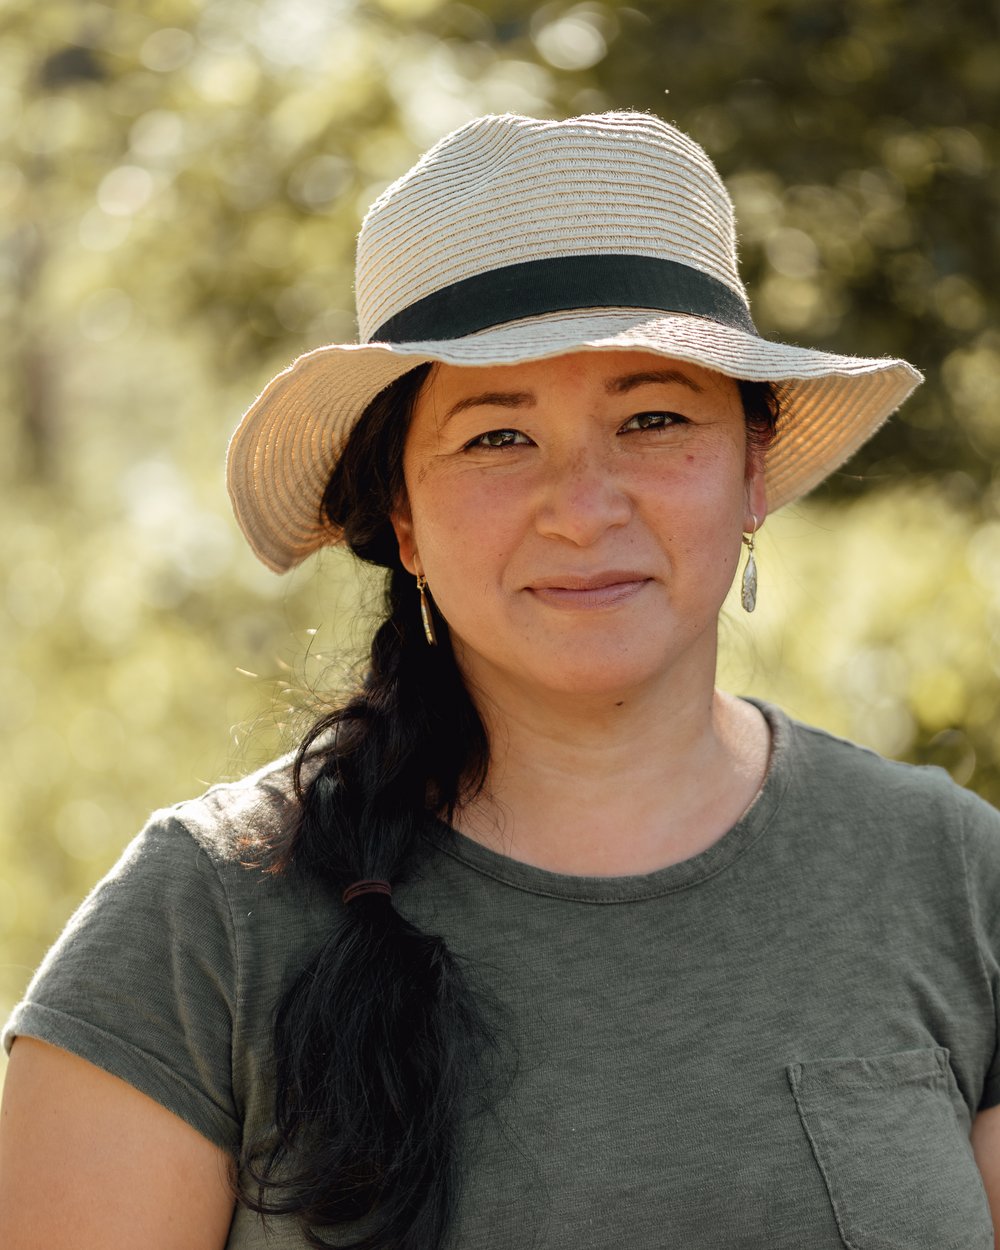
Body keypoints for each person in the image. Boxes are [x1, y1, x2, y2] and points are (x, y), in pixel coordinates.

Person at [2, 109, 1000, 1250]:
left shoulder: (952, 877)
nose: (583, 507)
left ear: (752, 471)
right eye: (495, 437)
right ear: (402, 519)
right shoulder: (205, 920)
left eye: (655, 417)